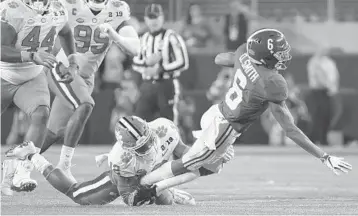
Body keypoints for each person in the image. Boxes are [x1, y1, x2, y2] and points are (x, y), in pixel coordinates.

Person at [130, 29, 352, 202]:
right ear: (266, 57)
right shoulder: (273, 82)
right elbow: (290, 129)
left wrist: (239, 61)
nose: (283, 56)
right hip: (224, 129)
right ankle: (145, 184)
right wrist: (324, 156)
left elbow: (218, 59)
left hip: (215, 112)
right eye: (278, 53)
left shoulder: (244, 52)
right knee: (192, 164)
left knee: (208, 166)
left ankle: (155, 185)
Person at [7, 0, 140, 186]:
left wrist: (113, 35)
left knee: (52, 133)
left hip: (86, 77)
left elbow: (135, 48)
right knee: (85, 104)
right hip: (63, 68)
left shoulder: (117, 9)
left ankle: (12, 167)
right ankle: (65, 165)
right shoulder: (68, 4)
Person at [8, 116, 198, 206]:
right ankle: (32, 154)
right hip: (130, 179)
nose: (149, 148)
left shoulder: (164, 128)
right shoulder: (120, 159)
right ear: (128, 148)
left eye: (149, 141)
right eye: (141, 147)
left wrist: (202, 156)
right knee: (78, 197)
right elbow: (130, 199)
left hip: (153, 171)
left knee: (165, 204)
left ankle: (169, 191)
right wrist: (154, 189)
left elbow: (182, 151)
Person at [1, 0, 78, 195]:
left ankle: (21, 174)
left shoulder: (58, 8)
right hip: (2, 73)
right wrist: (31, 55)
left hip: (31, 76)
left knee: (41, 114)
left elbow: (66, 32)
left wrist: (72, 62)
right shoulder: (12, 9)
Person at [132, 3, 189, 125]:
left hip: (166, 84)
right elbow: (135, 62)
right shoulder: (143, 38)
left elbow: (183, 62)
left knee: (168, 121)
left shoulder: (171, 36)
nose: (154, 21)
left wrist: (161, 69)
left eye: (156, 17)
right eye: (151, 17)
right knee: (141, 121)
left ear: (162, 18)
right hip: (147, 84)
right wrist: (147, 63)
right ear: (146, 19)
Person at [307, 47, 340, 145]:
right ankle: (314, 139)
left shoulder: (329, 62)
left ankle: (322, 138)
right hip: (319, 91)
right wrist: (327, 85)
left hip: (328, 91)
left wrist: (333, 88)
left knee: (327, 115)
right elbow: (318, 76)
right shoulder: (315, 62)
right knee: (318, 116)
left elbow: (334, 76)